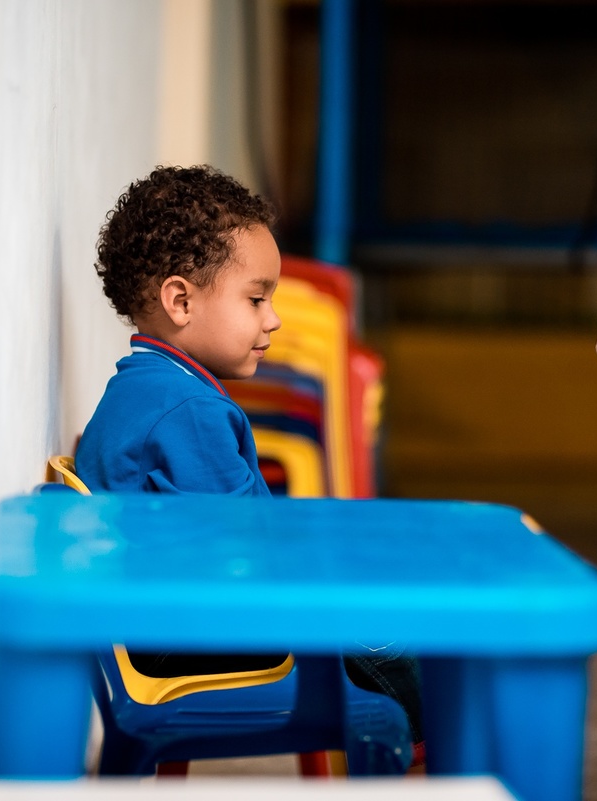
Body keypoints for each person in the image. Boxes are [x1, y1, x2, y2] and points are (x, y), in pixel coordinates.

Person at [76, 164, 423, 747]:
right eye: (257, 298)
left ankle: (416, 740)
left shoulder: (148, 387)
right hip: (185, 635)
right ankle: (432, 750)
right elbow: (248, 553)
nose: (274, 318)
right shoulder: (184, 408)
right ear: (181, 300)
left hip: (164, 620)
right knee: (392, 632)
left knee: (370, 599)